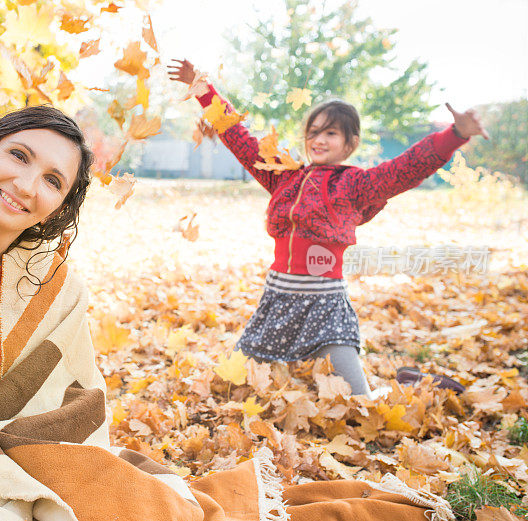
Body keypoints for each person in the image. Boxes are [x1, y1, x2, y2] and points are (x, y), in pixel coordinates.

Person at [0, 105, 454, 521]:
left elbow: (78, 394)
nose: (26, 184)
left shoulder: (49, 279)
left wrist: (24, 447)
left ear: (59, 204)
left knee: (124, 498)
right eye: (18, 157)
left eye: (51, 180)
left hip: (21, 449)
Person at [168, 58, 488, 397]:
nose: (319, 140)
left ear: (350, 143)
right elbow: (240, 138)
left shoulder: (356, 184)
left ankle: (415, 383)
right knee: (232, 388)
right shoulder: (284, 177)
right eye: (314, 132)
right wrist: (202, 88)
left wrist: (455, 135)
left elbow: (406, 168)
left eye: (330, 133)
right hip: (277, 303)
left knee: (359, 403)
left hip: (325, 309)